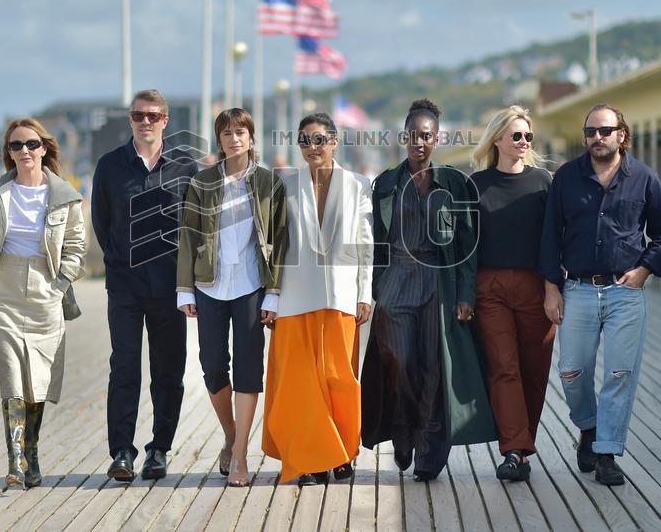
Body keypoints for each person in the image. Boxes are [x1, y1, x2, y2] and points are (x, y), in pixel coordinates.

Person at [539, 103, 661, 486]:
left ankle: (607, 453)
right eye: (590, 132)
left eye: (604, 131)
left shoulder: (645, 179)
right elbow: (550, 235)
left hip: (624, 293)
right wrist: (552, 288)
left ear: (622, 134)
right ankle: (588, 426)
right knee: (571, 371)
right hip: (578, 289)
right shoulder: (566, 178)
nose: (596, 138)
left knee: (620, 373)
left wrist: (646, 268)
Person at [361, 99, 495, 482]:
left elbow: (469, 245)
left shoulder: (454, 183)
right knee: (398, 363)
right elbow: (374, 241)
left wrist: (467, 295)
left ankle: (428, 450)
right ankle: (402, 430)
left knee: (434, 369)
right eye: (414, 135)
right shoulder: (385, 183)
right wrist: (372, 289)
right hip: (396, 281)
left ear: (437, 139)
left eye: (428, 136)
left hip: (439, 284)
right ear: (404, 137)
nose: (420, 142)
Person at [0, 118, 85, 488]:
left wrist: (59, 283)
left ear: (45, 148)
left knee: (38, 379)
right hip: (3, 287)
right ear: (8, 153)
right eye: (16, 146)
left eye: (31, 144)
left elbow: (76, 247)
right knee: (11, 374)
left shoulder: (65, 195)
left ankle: (31, 451)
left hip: (46, 290)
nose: (25, 152)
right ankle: (15, 461)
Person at [91, 90, 198, 482]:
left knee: (169, 370)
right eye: (139, 115)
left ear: (166, 120)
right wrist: (120, 260)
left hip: (171, 286)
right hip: (125, 285)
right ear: (130, 120)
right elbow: (101, 222)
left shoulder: (186, 167)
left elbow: (195, 228)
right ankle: (121, 451)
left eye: (153, 115)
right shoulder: (110, 166)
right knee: (124, 368)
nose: (146, 121)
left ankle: (159, 449)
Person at [177, 108, 287, 487]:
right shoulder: (202, 181)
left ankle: (239, 454)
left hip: (252, 287)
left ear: (252, 138)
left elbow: (280, 240)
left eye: (241, 132)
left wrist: (273, 293)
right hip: (209, 285)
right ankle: (230, 431)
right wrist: (184, 288)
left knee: (248, 369)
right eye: (226, 133)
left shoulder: (270, 183)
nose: (234, 138)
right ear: (219, 140)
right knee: (211, 366)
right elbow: (188, 236)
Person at [262, 113, 373, 487]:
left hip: (342, 296)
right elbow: (274, 246)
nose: (313, 147)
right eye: (305, 141)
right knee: (300, 382)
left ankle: (343, 454)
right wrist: (271, 295)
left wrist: (364, 293)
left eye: (320, 139)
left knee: (339, 377)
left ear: (335, 141)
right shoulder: (284, 185)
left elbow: (366, 243)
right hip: (295, 295)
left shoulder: (357, 185)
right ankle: (307, 459)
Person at [469, 106, 553, 481]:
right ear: (498, 139)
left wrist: (554, 289)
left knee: (535, 372)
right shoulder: (476, 184)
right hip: (491, 288)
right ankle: (514, 451)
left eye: (528, 136)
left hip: (538, 286)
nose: (523, 142)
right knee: (504, 368)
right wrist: (465, 295)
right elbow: (466, 245)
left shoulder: (544, 183)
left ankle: (523, 443)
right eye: (516, 135)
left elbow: (555, 242)